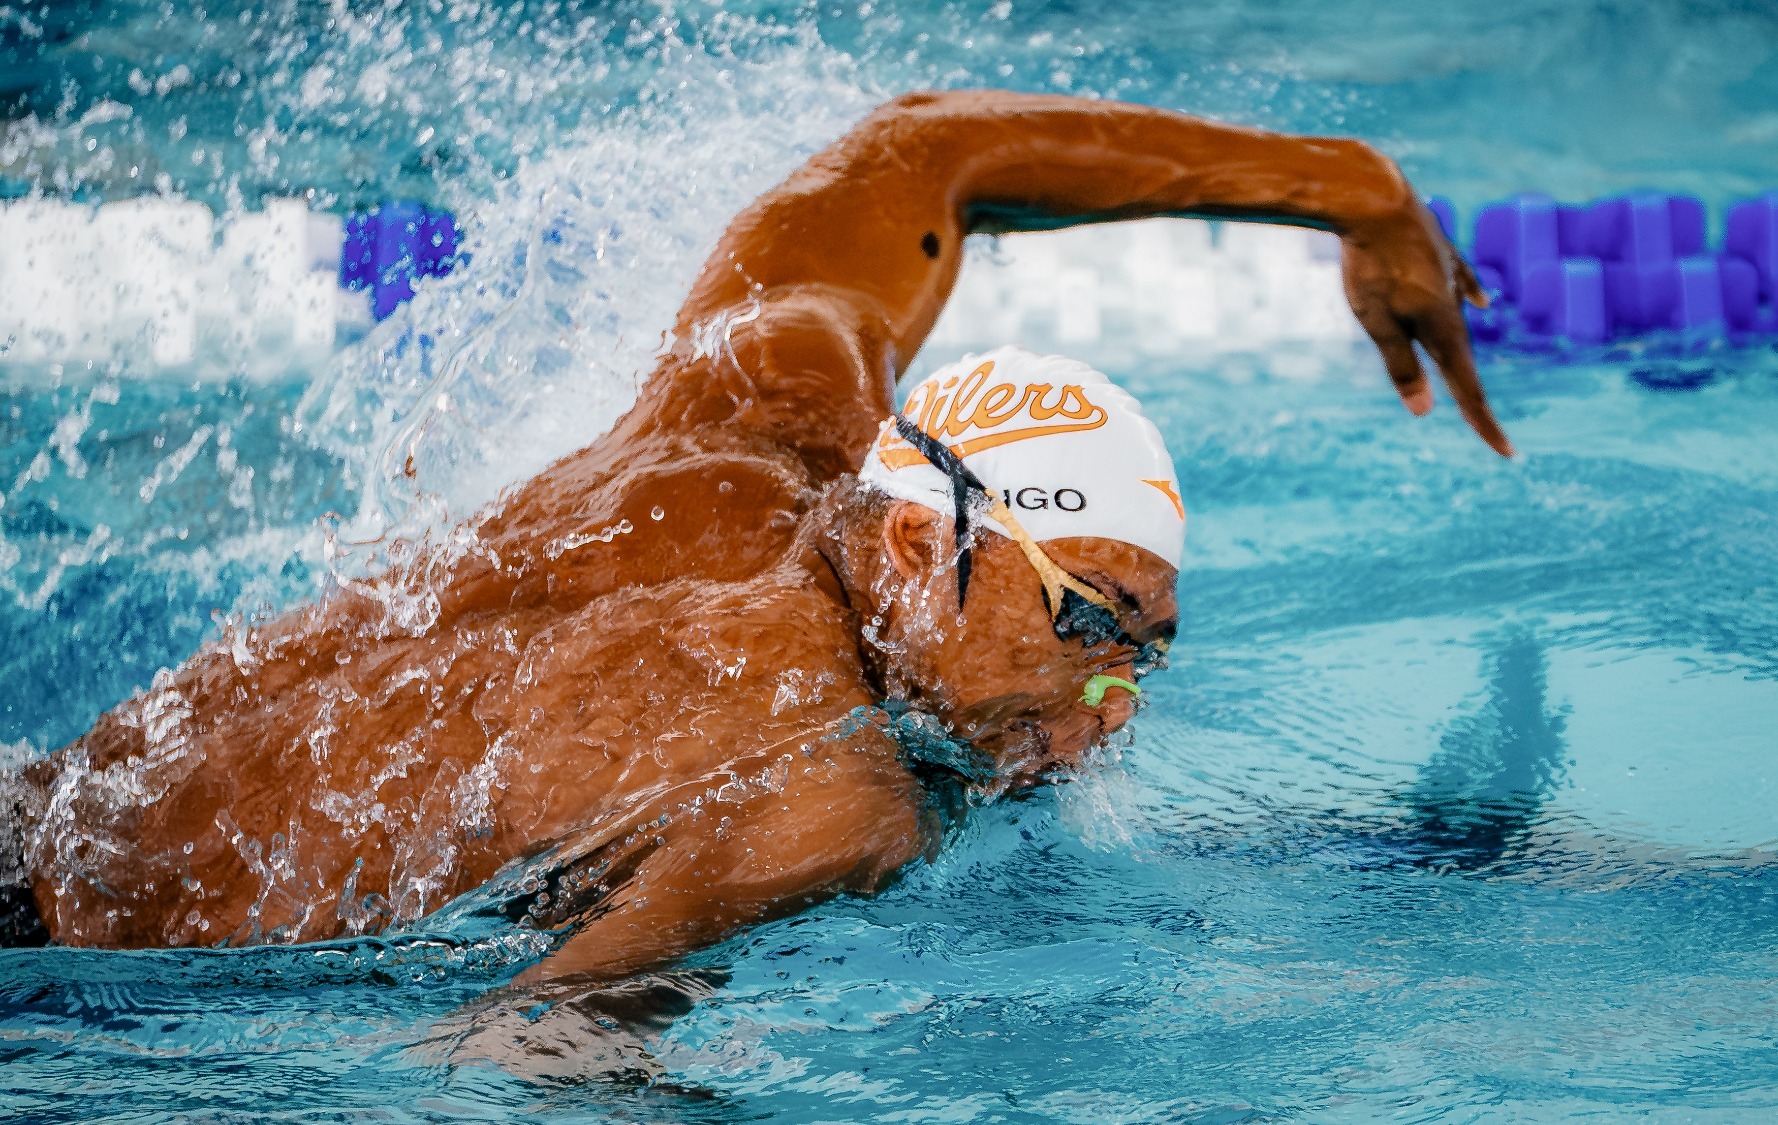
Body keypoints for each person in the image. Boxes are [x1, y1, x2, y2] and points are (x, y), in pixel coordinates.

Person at [5, 92, 1510, 1000]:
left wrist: (1347, 186)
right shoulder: (825, 787)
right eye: (1091, 623)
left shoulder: (756, 403)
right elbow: (542, 1031)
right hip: (84, 999)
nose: (1121, 704)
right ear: (926, 548)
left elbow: (932, 151)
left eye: (1149, 649)